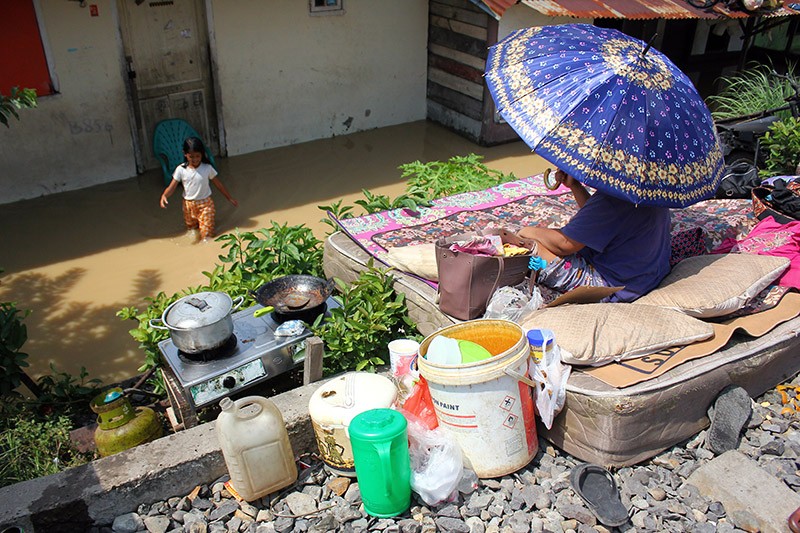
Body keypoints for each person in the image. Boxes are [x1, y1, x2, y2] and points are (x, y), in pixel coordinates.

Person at [518, 169, 671, 302]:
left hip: (615, 285)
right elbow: (601, 218)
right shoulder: (649, 185)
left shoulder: (613, 198)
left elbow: (565, 244)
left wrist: (525, 232)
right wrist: (575, 186)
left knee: (527, 246)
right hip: (648, 273)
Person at [159, 137, 238, 242]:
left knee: (207, 236)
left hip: (205, 204)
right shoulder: (181, 169)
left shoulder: (207, 168)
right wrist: (164, 195)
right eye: (191, 156)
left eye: (198, 156)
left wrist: (229, 198)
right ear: (185, 154)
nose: (195, 159)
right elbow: (172, 186)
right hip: (188, 206)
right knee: (192, 230)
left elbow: (219, 185)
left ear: (202, 154)